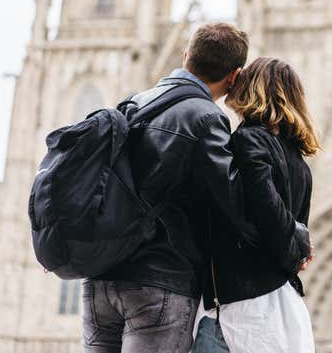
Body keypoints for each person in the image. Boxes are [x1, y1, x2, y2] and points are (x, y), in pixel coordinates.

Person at [82, 24, 311, 353]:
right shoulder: (207, 120)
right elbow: (241, 209)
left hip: (99, 278)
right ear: (234, 76)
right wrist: (296, 241)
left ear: (186, 55)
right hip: (159, 280)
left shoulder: (132, 104)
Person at [192, 57, 321, 353]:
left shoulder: (249, 140)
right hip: (281, 307)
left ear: (256, 88)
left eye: (243, 77)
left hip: (242, 313)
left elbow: (269, 213)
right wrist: (298, 245)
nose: (233, 82)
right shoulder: (300, 163)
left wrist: (294, 246)